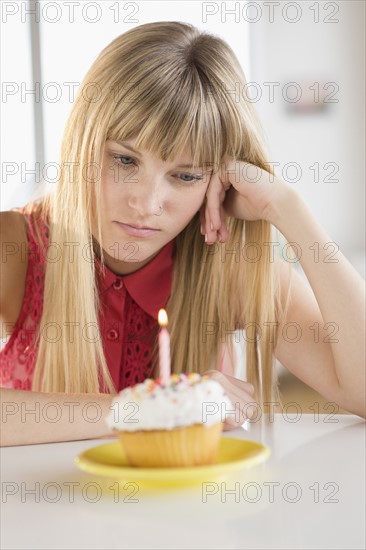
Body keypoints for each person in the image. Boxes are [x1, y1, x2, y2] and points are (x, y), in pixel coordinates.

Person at [0, 21, 364, 447]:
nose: (147, 203)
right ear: (83, 142)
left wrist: (286, 208)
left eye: (186, 175)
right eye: (124, 160)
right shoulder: (16, 247)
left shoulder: (229, 266)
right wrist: (146, 407)